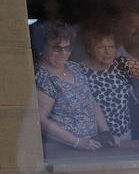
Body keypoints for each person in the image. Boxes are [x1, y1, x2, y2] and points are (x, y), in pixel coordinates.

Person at [33, 22, 113, 151]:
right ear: (42, 48)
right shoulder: (42, 76)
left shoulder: (74, 68)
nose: (63, 53)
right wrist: (76, 142)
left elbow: (91, 102)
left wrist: (105, 132)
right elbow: (41, 121)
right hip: (62, 150)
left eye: (68, 48)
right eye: (57, 48)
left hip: (90, 145)